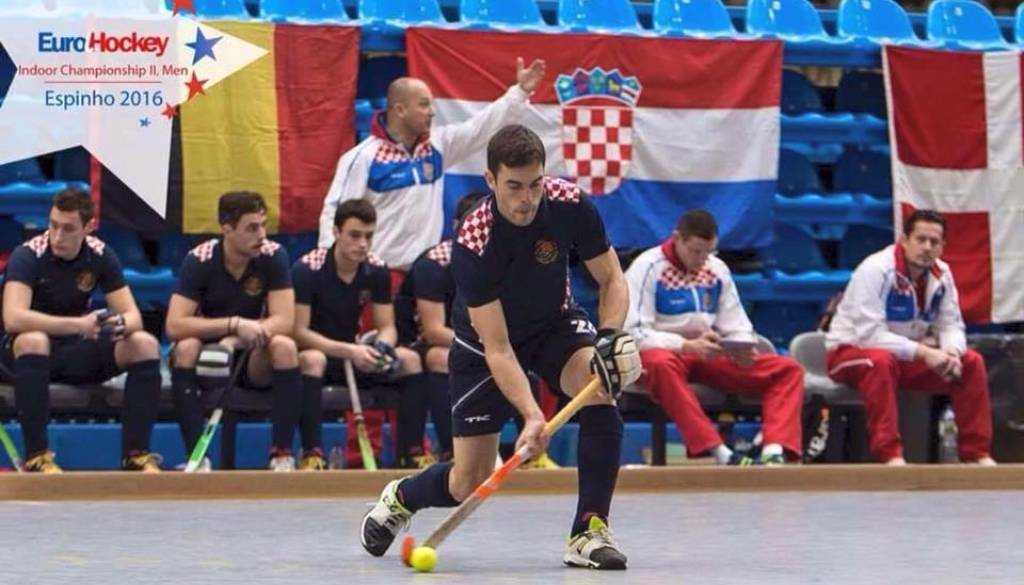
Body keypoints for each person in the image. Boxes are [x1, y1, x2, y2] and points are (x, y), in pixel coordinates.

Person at [360, 124, 641, 570]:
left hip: (554, 325)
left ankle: (588, 530)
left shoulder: (569, 203)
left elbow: (612, 278)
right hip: (484, 346)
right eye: (514, 186)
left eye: (535, 184)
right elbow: (499, 348)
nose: (527, 198)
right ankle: (402, 496)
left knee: (600, 386)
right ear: (490, 180)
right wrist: (532, 416)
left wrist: (608, 337)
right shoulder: (475, 241)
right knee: (467, 480)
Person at [317, 58, 546, 270]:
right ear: (400, 110)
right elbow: (336, 214)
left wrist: (520, 92)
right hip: (381, 275)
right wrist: (330, 271)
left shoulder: (437, 146)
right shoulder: (363, 157)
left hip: (426, 273)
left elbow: (480, 128)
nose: (432, 112)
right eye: (424, 105)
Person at [623, 210, 804, 465]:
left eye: (708, 252)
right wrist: (685, 345)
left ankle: (774, 450)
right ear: (677, 238)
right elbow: (635, 334)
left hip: (708, 353)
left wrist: (742, 345)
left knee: (788, 370)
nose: (702, 259)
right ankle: (720, 452)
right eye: (695, 251)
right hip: (663, 354)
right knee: (661, 364)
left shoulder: (716, 269)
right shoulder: (647, 267)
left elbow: (737, 322)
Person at [1, 187, 162, 473]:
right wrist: (77, 325)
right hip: (21, 355)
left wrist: (117, 324)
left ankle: (136, 455)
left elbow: (133, 316)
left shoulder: (100, 254)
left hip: (74, 350)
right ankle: (37, 456)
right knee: (34, 340)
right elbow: (13, 318)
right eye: (53, 225)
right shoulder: (28, 255)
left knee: (144, 344)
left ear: (88, 227)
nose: (57, 236)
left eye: (68, 229)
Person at [397, 190, 561, 469]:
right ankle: (451, 451)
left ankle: (533, 455)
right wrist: (492, 343)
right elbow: (434, 331)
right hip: (431, 344)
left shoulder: (506, 262)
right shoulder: (433, 265)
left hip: (485, 340)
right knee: (441, 357)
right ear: (456, 227)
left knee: (526, 357)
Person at [826, 209, 995, 465]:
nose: (927, 247)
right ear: (904, 240)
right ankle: (889, 454)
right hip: (848, 354)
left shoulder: (942, 274)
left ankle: (976, 454)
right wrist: (924, 352)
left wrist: (951, 352)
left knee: (970, 363)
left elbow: (951, 325)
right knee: (879, 361)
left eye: (934, 242)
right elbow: (869, 336)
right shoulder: (876, 269)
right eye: (920, 239)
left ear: (942, 246)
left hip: (902, 357)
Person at [165, 192, 303, 472]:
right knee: (185, 347)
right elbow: (174, 325)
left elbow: (285, 320)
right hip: (208, 357)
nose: (261, 235)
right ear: (226, 229)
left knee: (285, 347)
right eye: (251, 228)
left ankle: (281, 455)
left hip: (251, 354)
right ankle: (197, 458)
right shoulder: (199, 260)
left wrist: (241, 336)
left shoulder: (273, 255)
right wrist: (233, 324)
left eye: (262, 225)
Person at [292, 199, 425, 470]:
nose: (363, 244)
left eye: (368, 236)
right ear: (336, 232)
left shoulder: (377, 269)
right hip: (319, 354)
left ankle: (412, 453)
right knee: (313, 359)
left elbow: (387, 326)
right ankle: (312, 453)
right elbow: (298, 332)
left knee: (410, 360)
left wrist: (382, 348)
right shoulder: (307, 269)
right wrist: (349, 351)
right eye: (354, 235)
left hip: (356, 355)